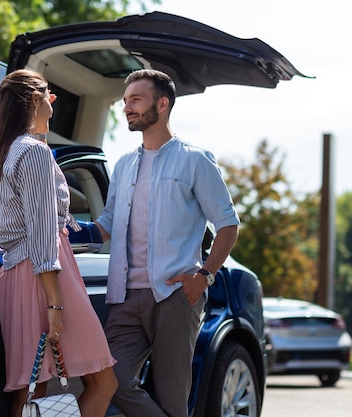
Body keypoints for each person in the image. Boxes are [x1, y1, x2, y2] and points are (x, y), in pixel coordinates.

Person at [95, 69, 239, 417]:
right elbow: (107, 225)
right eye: (126, 100)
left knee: (172, 396)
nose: (127, 107)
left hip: (175, 295)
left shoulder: (194, 159)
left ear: (162, 104)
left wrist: (203, 276)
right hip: (126, 296)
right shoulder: (125, 164)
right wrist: (65, 231)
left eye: (136, 100)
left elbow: (228, 225)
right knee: (110, 381)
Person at [0, 69, 117, 417]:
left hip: (15, 273)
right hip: (46, 277)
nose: (53, 103)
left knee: (32, 389)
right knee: (104, 383)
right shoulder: (34, 153)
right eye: (48, 95)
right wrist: (54, 304)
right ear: (32, 100)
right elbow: (42, 231)